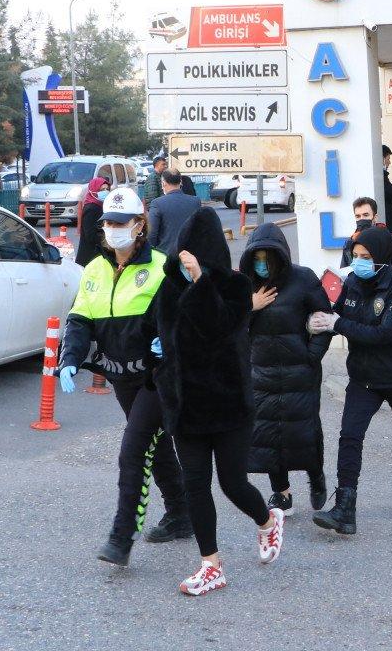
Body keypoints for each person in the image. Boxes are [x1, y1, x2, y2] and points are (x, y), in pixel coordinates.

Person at [148, 208, 285, 596]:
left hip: (227, 406)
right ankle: (211, 565)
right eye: (182, 255)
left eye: (193, 256)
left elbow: (216, 328)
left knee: (232, 483)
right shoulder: (168, 287)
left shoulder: (234, 287)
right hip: (185, 406)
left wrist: (200, 280)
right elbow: (150, 326)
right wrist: (155, 362)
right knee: (195, 485)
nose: (185, 261)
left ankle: (266, 520)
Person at [57, 187, 189, 567]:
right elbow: (81, 317)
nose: (113, 229)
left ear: (139, 224)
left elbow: (180, 318)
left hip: (156, 377)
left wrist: (170, 339)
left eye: (121, 222)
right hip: (121, 377)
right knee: (155, 445)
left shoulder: (162, 266)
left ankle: (121, 536)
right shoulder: (95, 269)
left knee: (133, 451)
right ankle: (181, 513)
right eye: (108, 223)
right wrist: (71, 356)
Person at [311, 227, 392, 535]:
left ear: (384, 259)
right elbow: (334, 315)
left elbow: (382, 334)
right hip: (363, 377)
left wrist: (339, 324)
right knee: (349, 435)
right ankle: (344, 508)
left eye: (366, 257)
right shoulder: (351, 284)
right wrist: (321, 322)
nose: (359, 262)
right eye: (356, 256)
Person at [240, 222, 333, 518]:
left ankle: (316, 476)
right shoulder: (244, 285)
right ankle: (281, 493)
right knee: (268, 435)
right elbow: (228, 328)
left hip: (300, 373)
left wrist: (311, 357)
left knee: (305, 431)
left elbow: (324, 321)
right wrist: (249, 307)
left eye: (268, 257)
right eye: (257, 258)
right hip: (260, 375)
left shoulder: (303, 279)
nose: (262, 264)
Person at [340, 196, 392, 279]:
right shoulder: (350, 242)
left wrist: (385, 284)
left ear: (375, 218)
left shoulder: (390, 239)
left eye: (366, 215)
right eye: (358, 216)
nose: (361, 219)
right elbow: (344, 271)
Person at [148, 170, 202, 255]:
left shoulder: (157, 203)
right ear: (180, 182)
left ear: (163, 183)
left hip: (165, 256)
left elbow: (151, 234)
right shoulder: (195, 201)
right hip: (191, 255)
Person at [74, 176, 109, 267]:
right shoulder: (92, 208)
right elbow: (90, 234)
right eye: (102, 189)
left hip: (96, 253)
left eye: (107, 189)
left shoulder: (100, 205)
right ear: (94, 190)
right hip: (90, 255)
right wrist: (107, 239)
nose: (105, 192)